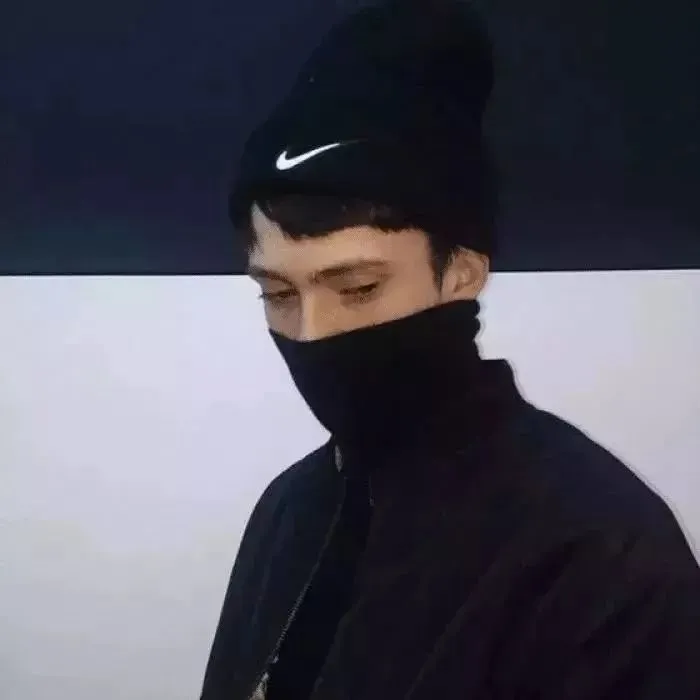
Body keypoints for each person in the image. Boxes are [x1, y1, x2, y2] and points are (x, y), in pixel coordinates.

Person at [200, 1, 700, 698]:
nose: (311, 333)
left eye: (358, 287)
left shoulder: (600, 551)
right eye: (278, 293)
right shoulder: (289, 509)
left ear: (461, 272)